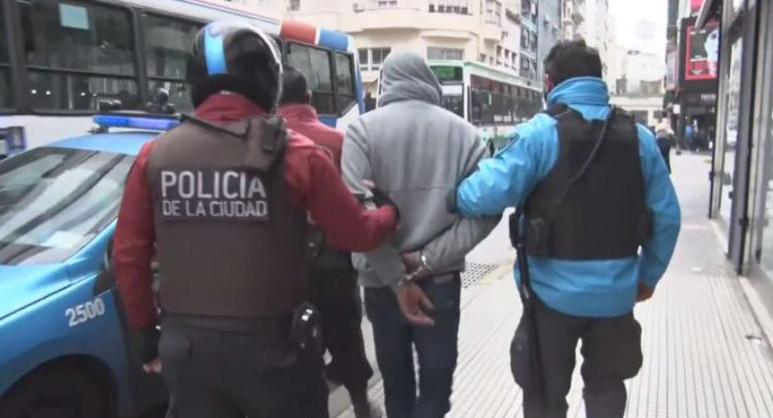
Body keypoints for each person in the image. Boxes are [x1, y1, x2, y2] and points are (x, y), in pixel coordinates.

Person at [113, 22, 399, 418]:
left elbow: (127, 256)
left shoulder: (154, 156)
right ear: (269, 80)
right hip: (276, 354)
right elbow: (357, 233)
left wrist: (145, 334)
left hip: (187, 354)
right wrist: (389, 212)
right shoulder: (300, 155)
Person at [455, 40, 681, 418]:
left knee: (544, 396)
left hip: (550, 298)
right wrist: (648, 276)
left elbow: (478, 196)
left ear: (548, 81)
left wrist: (454, 192)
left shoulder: (539, 134)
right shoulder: (639, 138)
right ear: (598, 80)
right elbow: (668, 218)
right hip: (615, 298)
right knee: (607, 388)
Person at [342, 51, 500, 418]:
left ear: (385, 83)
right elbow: (489, 209)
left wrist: (398, 279)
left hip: (380, 281)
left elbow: (357, 216)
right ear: (429, 82)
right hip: (439, 281)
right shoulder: (466, 134)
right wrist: (426, 260)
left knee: (395, 386)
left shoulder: (361, 130)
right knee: (436, 384)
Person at [278, 67, 381, 418]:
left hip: (283, 269)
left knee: (295, 350)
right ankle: (362, 406)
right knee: (347, 339)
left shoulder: (258, 144)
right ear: (309, 100)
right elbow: (356, 202)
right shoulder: (338, 141)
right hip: (335, 263)